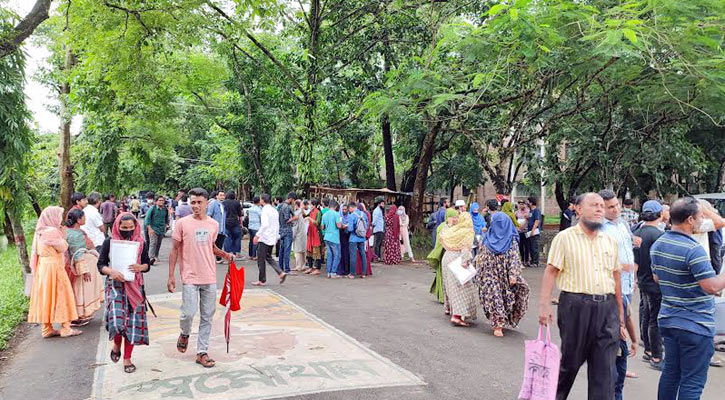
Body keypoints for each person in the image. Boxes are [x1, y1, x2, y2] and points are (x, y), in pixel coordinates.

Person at [538, 193, 624, 400]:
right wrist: (543, 305)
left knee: (604, 371)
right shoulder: (564, 238)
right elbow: (551, 270)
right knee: (569, 364)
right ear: (577, 208)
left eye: (601, 207)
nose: (599, 210)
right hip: (576, 307)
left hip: (607, 308)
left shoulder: (609, 240)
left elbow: (616, 277)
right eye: (594, 205)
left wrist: (620, 314)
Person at [651, 197, 725, 399]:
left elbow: (657, 277)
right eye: (701, 216)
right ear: (690, 220)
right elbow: (711, 286)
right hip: (695, 325)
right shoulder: (694, 250)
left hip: (669, 320)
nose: (702, 220)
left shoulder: (658, 244)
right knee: (692, 383)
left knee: (670, 374)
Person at [168, 188, 234, 368]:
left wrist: (225, 254)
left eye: (199, 202)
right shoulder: (182, 223)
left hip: (209, 276)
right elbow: (174, 250)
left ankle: (202, 352)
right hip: (189, 276)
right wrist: (171, 276)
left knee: (207, 316)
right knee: (188, 313)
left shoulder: (213, 224)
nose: (196, 206)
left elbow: (210, 246)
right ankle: (185, 333)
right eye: (193, 202)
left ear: (207, 204)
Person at [97, 213, 152, 373]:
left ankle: (127, 358)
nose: (127, 230)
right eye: (124, 228)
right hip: (116, 287)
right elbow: (101, 265)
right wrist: (111, 271)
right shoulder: (109, 242)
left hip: (135, 287)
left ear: (135, 226)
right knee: (118, 322)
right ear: (117, 227)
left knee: (132, 324)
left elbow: (147, 264)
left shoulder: (141, 243)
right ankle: (116, 343)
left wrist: (140, 267)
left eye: (130, 227)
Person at [599, 189, 639, 399]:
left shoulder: (622, 224)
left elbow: (627, 245)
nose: (615, 210)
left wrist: (635, 241)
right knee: (614, 340)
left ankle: (619, 373)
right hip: (610, 292)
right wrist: (625, 267)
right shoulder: (599, 230)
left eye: (616, 205)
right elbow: (599, 262)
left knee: (621, 338)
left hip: (626, 289)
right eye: (610, 207)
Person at [27, 206, 82, 338]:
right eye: (58, 216)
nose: (60, 219)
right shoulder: (52, 231)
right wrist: (63, 234)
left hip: (43, 267)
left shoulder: (39, 231)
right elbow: (63, 247)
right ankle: (66, 328)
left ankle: (47, 329)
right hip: (54, 266)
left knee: (47, 296)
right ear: (51, 217)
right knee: (62, 294)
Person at [474, 212, 529, 337]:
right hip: (489, 273)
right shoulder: (487, 236)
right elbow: (481, 254)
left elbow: (514, 257)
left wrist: (513, 274)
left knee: (508, 296)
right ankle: (498, 324)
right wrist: (479, 271)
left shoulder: (511, 239)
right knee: (494, 296)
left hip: (505, 274)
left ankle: (507, 318)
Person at [633, 200, 665, 370]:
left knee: (646, 314)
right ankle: (656, 355)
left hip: (643, 280)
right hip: (654, 282)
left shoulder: (637, 232)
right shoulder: (659, 235)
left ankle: (647, 349)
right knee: (655, 319)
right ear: (660, 215)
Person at [64, 209, 103, 326]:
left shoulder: (69, 231)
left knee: (76, 290)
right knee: (80, 290)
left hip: (70, 266)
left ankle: (77, 314)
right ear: (78, 220)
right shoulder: (76, 235)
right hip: (79, 266)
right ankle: (78, 315)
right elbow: (78, 254)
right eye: (84, 217)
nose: (85, 219)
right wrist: (85, 270)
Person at [439, 210, 477, 326]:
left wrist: (451, 248)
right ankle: (457, 316)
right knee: (461, 288)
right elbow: (466, 248)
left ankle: (449, 308)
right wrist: (465, 261)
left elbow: (442, 240)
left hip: (446, 257)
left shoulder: (454, 230)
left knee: (449, 286)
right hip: (457, 259)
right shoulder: (467, 232)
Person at [252, 194, 287, 286]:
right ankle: (280, 272)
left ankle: (262, 279)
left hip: (264, 238)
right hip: (271, 237)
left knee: (261, 259)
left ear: (262, 200)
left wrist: (257, 235)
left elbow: (265, 225)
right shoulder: (274, 210)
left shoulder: (265, 210)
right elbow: (277, 225)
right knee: (268, 256)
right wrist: (276, 236)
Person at [427, 209, 454, 305]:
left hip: (444, 254)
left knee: (442, 276)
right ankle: (444, 298)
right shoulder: (445, 227)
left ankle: (443, 297)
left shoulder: (445, 226)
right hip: (445, 254)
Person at [346, 202, 370, 278]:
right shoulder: (364, 214)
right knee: (363, 254)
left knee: (353, 255)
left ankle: (352, 273)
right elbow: (367, 225)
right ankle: (363, 273)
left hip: (353, 238)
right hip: (362, 238)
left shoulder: (351, 216)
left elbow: (350, 229)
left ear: (351, 208)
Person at [321, 200, 343, 278]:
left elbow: (322, 227)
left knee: (329, 255)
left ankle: (328, 272)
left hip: (326, 236)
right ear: (336, 206)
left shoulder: (324, 215)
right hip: (334, 237)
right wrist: (343, 225)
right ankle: (333, 272)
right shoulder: (336, 214)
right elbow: (339, 226)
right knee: (337, 255)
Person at [145, 195, 170, 263]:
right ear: (156, 202)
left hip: (161, 230)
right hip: (153, 229)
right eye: (160, 200)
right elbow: (147, 220)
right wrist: (150, 229)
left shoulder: (165, 209)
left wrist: (166, 226)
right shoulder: (152, 209)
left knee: (158, 243)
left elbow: (166, 219)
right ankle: (151, 258)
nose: (161, 202)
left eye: (162, 200)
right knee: (153, 243)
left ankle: (156, 256)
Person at [278, 192, 297, 274]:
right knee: (287, 250)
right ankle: (287, 269)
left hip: (281, 230)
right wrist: (294, 218)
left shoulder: (280, 205)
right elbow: (286, 220)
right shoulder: (287, 207)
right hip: (287, 230)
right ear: (291, 199)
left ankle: (280, 267)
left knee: (281, 249)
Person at [206, 191, 227, 263]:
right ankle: (212, 258)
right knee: (213, 244)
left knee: (220, 244)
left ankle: (218, 258)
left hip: (222, 229)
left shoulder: (223, 205)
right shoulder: (213, 204)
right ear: (216, 196)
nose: (222, 197)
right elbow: (209, 215)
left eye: (223, 195)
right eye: (220, 195)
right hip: (214, 229)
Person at [222, 191, 244, 260]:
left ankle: (228, 253)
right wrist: (241, 224)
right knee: (237, 237)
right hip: (235, 222)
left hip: (226, 222)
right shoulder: (237, 203)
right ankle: (236, 252)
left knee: (227, 238)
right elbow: (240, 214)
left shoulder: (223, 203)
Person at [355, 202, 374, 277]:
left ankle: (361, 270)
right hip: (365, 236)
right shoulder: (366, 214)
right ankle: (364, 271)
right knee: (364, 254)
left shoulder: (361, 215)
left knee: (362, 254)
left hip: (362, 237)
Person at [304, 198, 323, 275]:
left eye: (311, 204)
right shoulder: (311, 212)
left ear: (314, 205)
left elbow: (317, 223)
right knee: (309, 251)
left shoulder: (318, 212)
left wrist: (309, 219)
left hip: (316, 234)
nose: (309, 206)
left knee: (317, 251)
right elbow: (305, 216)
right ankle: (310, 267)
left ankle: (317, 269)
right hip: (310, 233)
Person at [524, 196, 542, 268]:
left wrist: (533, 230)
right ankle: (531, 261)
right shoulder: (531, 210)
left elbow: (537, 221)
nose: (527, 203)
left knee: (535, 247)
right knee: (530, 247)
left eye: (528, 201)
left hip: (534, 232)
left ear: (531, 202)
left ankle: (535, 262)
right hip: (529, 231)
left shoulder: (536, 210)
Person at [292, 200, 309, 272]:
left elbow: (295, 226)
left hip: (298, 233)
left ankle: (298, 266)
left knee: (298, 251)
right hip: (303, 233)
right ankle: (303, 265)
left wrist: (292, 236)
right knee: (303, 250)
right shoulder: (301, 213)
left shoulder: (296, 213)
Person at [515, 200, 531, 264]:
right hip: (519, 231)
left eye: (522, 204)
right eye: (520, 204)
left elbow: (529, 220)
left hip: (526, 231)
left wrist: (523, 226)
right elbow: (515, 220)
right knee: (520, 246)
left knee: (526, 246)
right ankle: (522, 259)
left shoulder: (528, 212)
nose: (521, 205)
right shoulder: (517, 212)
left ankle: (527, 260)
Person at [339, 203, 351, 276]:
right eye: (343, 209)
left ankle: (347, 270)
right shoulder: (339, 216)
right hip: (341, 237)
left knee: (347, 253)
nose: (344, 211)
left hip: (348, 237)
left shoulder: (350, 217)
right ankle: (342, 270)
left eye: (345, 209)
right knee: (341, 253)